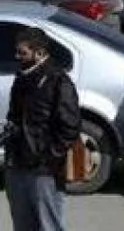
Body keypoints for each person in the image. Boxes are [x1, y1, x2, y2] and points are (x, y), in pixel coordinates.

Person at [4, 27, 80, 231]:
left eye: (23, 53)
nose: (17, 56)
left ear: (39, 53)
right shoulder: (22, 77)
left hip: (44, 171)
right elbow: (14, 116)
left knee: (48, 225)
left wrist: (48, 157)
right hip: (17, 165)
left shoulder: (58, 81)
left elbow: (70, 127)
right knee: (22, 225)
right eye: (17, 51)